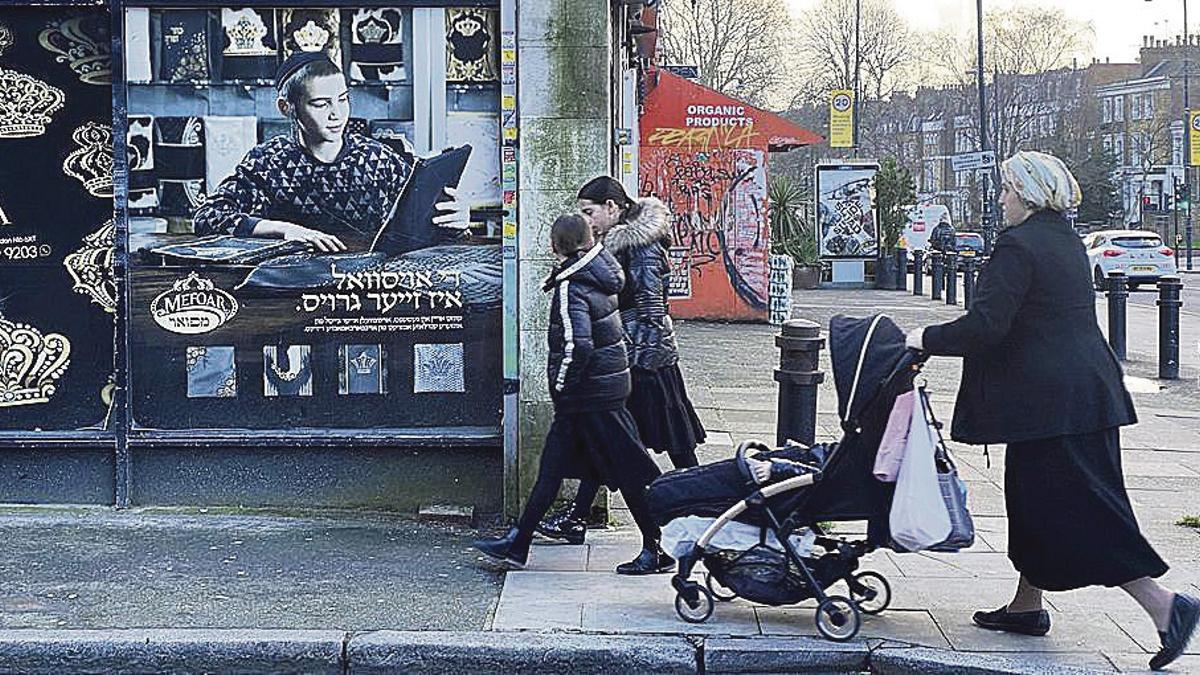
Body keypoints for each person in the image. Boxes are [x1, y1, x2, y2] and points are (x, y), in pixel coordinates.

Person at [906, 151, 1197, 671]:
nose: (1000, 200)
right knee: (1036, 501)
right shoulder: (1063, 238)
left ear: (1028, 193)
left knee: (1082, 510)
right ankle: (1027, 605)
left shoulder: (1019, 245)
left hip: (1053, 404)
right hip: (1081, 395)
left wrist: (921, 337)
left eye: (1006, 190)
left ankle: (1166, 607)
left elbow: (987, 326)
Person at [472, 214, 674, 575]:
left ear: (556, 246)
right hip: (601, 392)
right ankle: (518, 543)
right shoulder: (600, 272)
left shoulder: (572, 287)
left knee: (629, 472)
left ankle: (656, 546)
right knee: (552, 470)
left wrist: (562, 385)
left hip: (588, 398)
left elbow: (576, 345)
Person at [536, 177, 706, 546]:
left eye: (590, 211)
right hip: (629, 359)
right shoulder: (615, 244)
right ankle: (579, 517)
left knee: (672, 443)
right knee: (610, 439)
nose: (587, 220)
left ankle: (705, 508)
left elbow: (650, 308)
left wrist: (631, 359)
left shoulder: (641, 244)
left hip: (647, 360)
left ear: (613, 207)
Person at [193, 52, 469, 252]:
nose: (337, 114)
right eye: (321, 104)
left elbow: (427, 230)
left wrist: (458, 220)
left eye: (343, 100)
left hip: (373, 290)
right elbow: (208, 217)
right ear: (286, 108)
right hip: (294, 293)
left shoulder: (378, 158)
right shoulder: (268, 162)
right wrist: (285, 229)